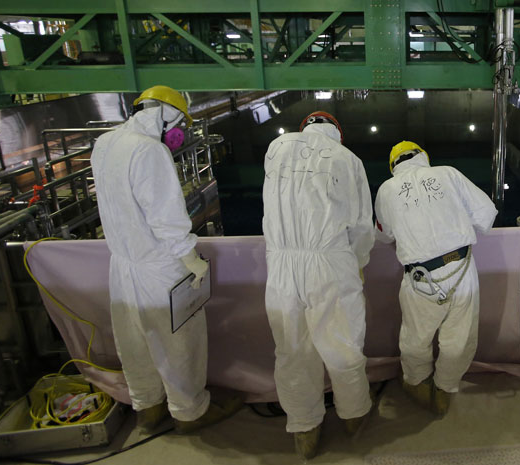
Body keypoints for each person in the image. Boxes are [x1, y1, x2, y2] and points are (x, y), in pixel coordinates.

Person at [91, 85, 242, 434]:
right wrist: (190, 258)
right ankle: (190, 411)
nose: (181, 133)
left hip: (122, 265)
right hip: (158, 267)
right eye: (181, 124)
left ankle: (148, 405)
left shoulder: (105, 142)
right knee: (178, 343)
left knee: (133, 343)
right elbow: (165, 216)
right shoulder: (149, 151)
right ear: (167, 116)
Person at [262, 111, 374, 459]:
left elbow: (268, 212)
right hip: (329, 262)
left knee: (292, 350)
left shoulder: (276, 149)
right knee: (342, 345)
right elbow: (360, 226)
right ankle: (354, 417)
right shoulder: (347, 159)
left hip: (281, 265)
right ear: (336, 134)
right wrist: (357, 263)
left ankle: (304, 428)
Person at [375, 142, 497, 416]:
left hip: (420, 277)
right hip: (462, 270)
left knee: (415, 338)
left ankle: (417, 384)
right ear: (424, 157)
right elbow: (486, 213)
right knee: (460, 337)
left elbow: (384, 234)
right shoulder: (449, 174)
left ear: (394, 166)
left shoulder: (387, 189)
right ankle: (445, 389)